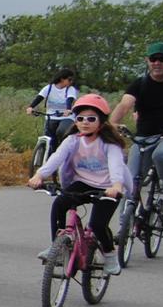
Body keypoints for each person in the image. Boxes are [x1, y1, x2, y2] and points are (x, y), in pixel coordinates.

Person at [27, 93, 126, 274]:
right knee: (60, 203)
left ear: (101, 122)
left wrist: (117, 186)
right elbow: (56, 158)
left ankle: (110, 255)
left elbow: (116, 166)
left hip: (107, 187)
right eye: (80, 118)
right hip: (82, 183)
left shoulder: (110, 144)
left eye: (91, 118)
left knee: (97, 225)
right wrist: (39, 175)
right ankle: (57, 246)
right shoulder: (73, 140)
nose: (85, 122)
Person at [108, 42, 163, 217]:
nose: (157, 63)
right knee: (131, 181)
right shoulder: (140, 84)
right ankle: (124, 227)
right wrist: (113, 124)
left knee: (161, 155)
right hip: (144, 137)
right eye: (153, 59)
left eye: (162, 59)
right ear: (147, 61)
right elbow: (124, 105)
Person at [26, 68, 79, 145]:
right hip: (51, 116)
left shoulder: (70, 89)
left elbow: (69, 99)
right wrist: (31, 107)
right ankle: (47, 151)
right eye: (69, 79)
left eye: (72, 80)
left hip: (66, 117)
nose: (71, 82)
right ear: (62, 79)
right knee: (49, 139)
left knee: (61, 131)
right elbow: (39, 98)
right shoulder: (49, 88)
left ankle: (64, 147)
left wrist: (68, 109)